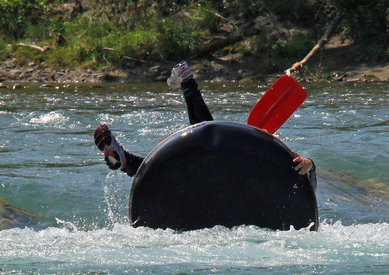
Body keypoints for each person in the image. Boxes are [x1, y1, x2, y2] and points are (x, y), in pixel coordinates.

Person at [94, 61, 315, 185]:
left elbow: (306, 176)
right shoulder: (273, 159)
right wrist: (309, 165)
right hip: (222, 177)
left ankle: (126, 162)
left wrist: (308, 163)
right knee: (208, 149)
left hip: (205, 178)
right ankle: (126, 162)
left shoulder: (279, 159)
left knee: (173, 173)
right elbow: (309, 183)